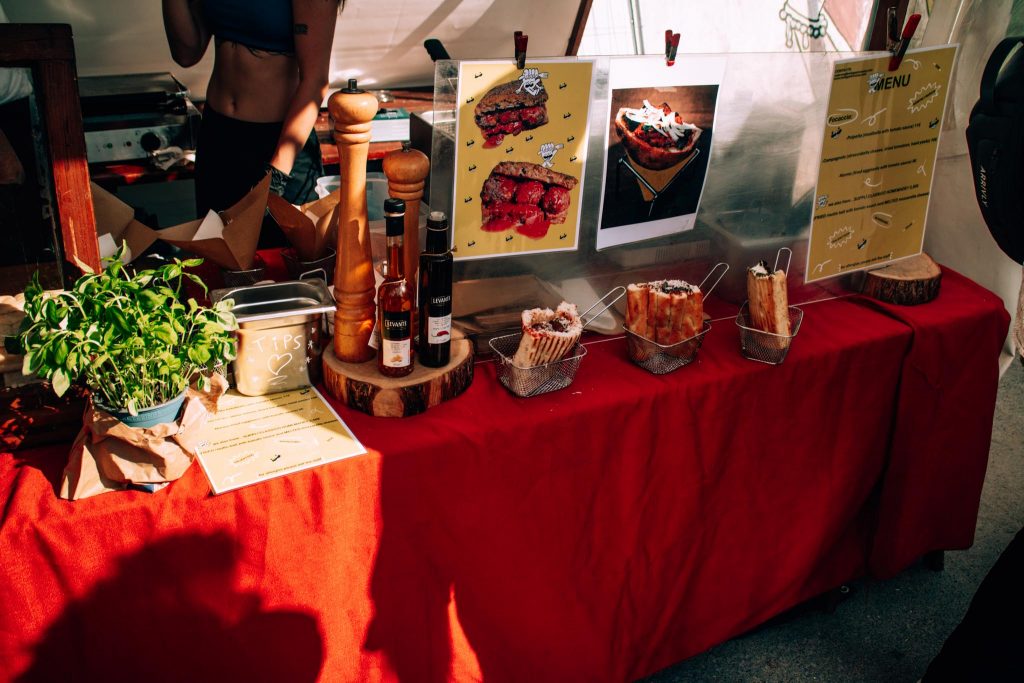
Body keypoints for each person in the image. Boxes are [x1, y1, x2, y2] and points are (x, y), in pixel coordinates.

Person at [162, 0, 341, 239]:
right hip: (219, 137)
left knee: (281, 265)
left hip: (278, 148)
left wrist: (275, 177)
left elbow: (315, 80)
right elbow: (186, 54)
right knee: (219, 257)